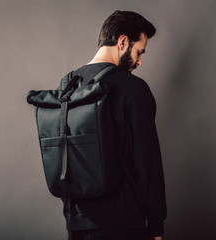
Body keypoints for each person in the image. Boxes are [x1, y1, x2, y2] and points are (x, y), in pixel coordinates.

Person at [63, 10, 167, 240]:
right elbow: (147, 163)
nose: (139, 61)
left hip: (76, 223)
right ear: (122, 42)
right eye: (140, 51)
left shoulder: (68, 86)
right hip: (124, 224)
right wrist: (157, 227)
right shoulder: (134, 89)